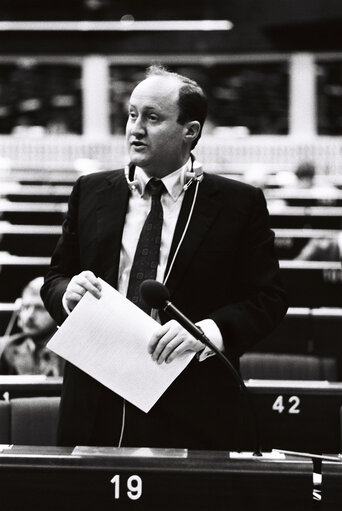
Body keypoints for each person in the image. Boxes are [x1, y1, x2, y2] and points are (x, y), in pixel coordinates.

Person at [41, 65, 287, 450]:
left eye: (152, 118)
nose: (135, 128)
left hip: (192, 402)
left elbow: (268, 299)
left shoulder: (238, 203)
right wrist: (65, 293)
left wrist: (209, 332)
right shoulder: (91, 191)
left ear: (190, 131)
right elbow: (56, 277)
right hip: (94, 400)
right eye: (132, 114)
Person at [0, 277, 63, 376]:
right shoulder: (5, 349)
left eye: (39, 308)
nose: (29, 316)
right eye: (26, 307)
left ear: (55, 310)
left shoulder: (72, 352)